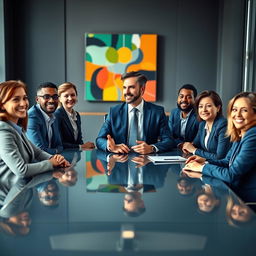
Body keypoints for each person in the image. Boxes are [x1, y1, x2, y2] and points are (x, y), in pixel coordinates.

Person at [0, 80, 69, 179]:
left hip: (25, 189)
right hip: (11, 193)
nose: (23, 103)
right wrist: (51, 163)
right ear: (2, 105)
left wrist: (54, 158)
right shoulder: (3, 132)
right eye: (16, 99)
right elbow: (22, 170)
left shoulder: (17, 128)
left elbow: (37, 152)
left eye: (25, 98)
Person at [183, 92, 256, 184]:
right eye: (234, 109)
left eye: (244, 110)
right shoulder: (240, 133)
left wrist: (201, 167)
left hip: (244, 196)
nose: (237, 115)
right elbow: (227, 161)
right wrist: (205, 162)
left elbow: (231, 175)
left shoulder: (253, 135)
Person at [96, 71, 174, 154]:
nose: (126, 92)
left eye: (131, 87)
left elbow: (169, 140)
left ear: (142, 89)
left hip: (147, 162)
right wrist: (111, 147)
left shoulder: (157, 112)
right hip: (119, 162)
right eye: (124, 87)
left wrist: (152, 148)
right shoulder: (114, 112)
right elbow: (99, 139)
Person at [182, 90, 230, 160]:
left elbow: (220, 157)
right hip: (208, 164)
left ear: (218, 108)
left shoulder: (223, 125)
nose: (204, 110)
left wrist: (194, 150)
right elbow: (196, 144)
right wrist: (188, 146)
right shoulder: (202, 124)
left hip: (222, 168)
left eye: (208, 106)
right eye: (200, 106)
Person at [55, 82, 95, 150]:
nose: (70, 98)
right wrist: (81, 146)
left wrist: (86, 146)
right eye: (66, 96)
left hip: (75, 156)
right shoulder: (57, 115)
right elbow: (59, 143)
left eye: (73, 95)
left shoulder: (77, 115)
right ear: (60, 99)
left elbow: (79, 140)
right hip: (62, 156)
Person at [26, 82, 63, 154]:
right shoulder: (31, 117)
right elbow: (39, 151)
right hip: (34, 163)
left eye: (55, 97)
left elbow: (59, 145)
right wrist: (56, 151)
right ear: (37, 100)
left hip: (52, 160)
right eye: (46, 97)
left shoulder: (54, 115)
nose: (51, 100)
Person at [168, 84, 199, 148]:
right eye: (181, 96)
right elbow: (169, 136)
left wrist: (190, 146)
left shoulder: (199, 115)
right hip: (176, 149)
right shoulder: (174, 112)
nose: (184, 100)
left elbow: (199, 138)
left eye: (189, 97)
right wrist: (180, 144)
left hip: (194, 151)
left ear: (195, 99)